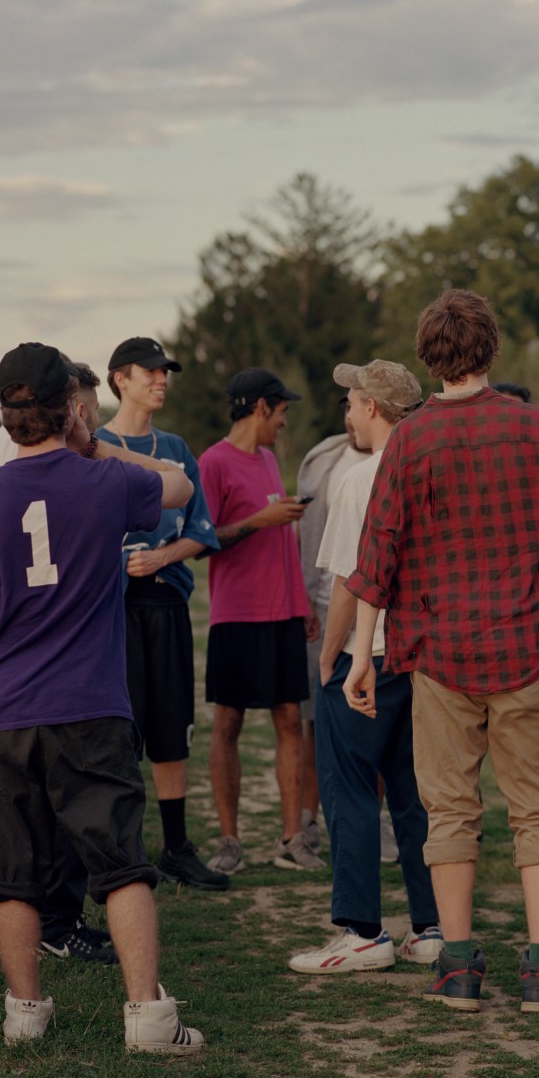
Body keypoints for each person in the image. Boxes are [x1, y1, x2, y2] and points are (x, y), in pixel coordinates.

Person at [0, 342, 203, 1052]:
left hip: (5, 709)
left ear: (5, 414)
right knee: (120, 862)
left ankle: (25, 1012)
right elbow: (179, 485)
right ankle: (147, 1016)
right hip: (89, 704)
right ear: (73, 410)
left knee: (12, 873)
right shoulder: (105, 482)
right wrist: (101, 449)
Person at [342, 289, 539, 1015]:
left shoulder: (411, 441)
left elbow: (374, 560)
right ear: (492, 350)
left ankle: (456, 966)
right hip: (524, 645)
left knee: (448, 810)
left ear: (428, 357)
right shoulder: (536, 429)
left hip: (439, 654)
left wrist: (362, 654)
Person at [288, 360, 443, 976]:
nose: (346, 413)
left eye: (351, 402)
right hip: (426, 656)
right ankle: (430, 925)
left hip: (372, 655)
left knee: (349, 790)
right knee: (415, 793)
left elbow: (353, 582)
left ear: (374, 409)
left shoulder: (357, 479)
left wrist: (331, 657)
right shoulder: (435, 468)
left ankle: (360, 929)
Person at [0, 359, 117, 963]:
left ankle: (27, 999)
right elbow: (176, 488)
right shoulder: (58, 463)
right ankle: (59, 923)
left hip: (10, 674)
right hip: (58, 659)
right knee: (69, 817)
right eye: (84, 408)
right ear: (69, 408)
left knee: (26, 828)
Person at [96, 337, 226, 891]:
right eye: (150, 371)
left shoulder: (174, 448)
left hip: (166, 604)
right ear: (119, 379)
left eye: (165, 371)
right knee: (120, 732)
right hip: (110, 612)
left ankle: (176, 848)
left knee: (173, 727)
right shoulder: (91, 445)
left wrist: (161, 557)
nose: (161, 379)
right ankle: (123, 854)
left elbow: (201, 531)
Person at [198, 367, 322, 875]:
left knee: (291, 720)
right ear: (260, 408)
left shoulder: (270, 460)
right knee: (228, 724)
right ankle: (229, 841)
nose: (284, 422)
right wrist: (258, 522)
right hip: (236, 614)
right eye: (282, 411)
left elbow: (282, 540)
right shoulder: (213, 462)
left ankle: (293, 840)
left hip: (282, 613)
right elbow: (204, 539)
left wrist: (303, 605)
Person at [295, 394, 371, 860]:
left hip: (376, 618)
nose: (348, 415)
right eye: (343, 405)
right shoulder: (325, 460)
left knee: (372, 725)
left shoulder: (396, 462)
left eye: (356, 405)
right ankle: (308, 819)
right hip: (322, 611)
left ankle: (373, 822)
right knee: (314, 726)